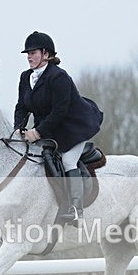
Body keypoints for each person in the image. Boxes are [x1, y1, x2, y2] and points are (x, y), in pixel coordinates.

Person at [14, 31, 104, 224]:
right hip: (51, 129)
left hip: (73, 127)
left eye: (33, 52)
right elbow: (21, 106)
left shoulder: (59, 77)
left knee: (68, 160)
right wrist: (18, 128)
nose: (29, 56)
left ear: (46, 54)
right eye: (27, 53)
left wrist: (37, 132)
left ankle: (75, 209)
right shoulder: (25, 77)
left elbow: (59, 111)